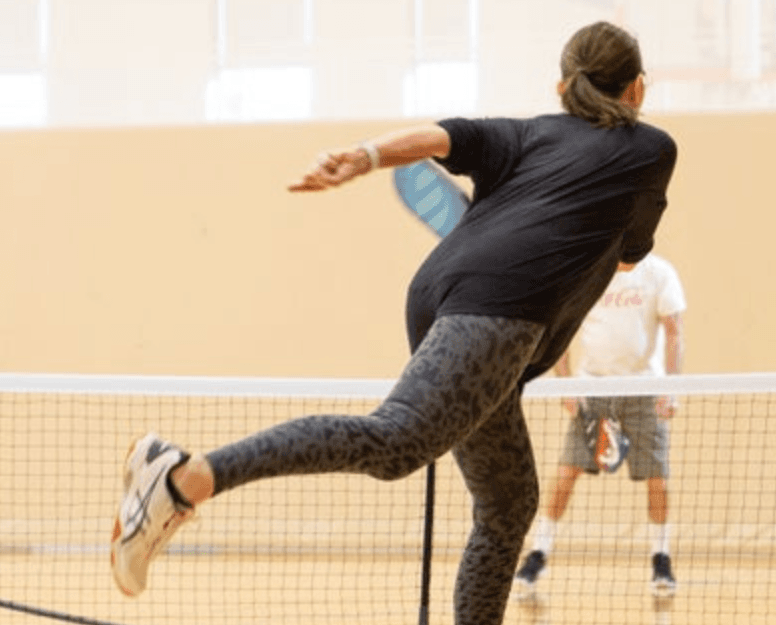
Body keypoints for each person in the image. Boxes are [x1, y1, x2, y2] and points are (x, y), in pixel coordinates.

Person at [107, 22, 676, 625]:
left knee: (509, 502)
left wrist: (363, 157)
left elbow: (444, 136)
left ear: (561, 87)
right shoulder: (651, 150)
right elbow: (628, 257)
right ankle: (183, 478)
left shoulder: (528, 134)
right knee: (396, 441)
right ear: (638, 88)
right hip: (502, 309)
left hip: (441, 293)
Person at [515, 253, 686, 599]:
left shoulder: (659, 273)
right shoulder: (590, 269)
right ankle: (539, 553)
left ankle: (661, 557)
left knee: (657, 477)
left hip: (643, 390)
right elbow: (560, 330)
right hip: (592, 389)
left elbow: (674, 332)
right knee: (566, 473)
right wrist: (565, 384)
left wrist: (671, 388)